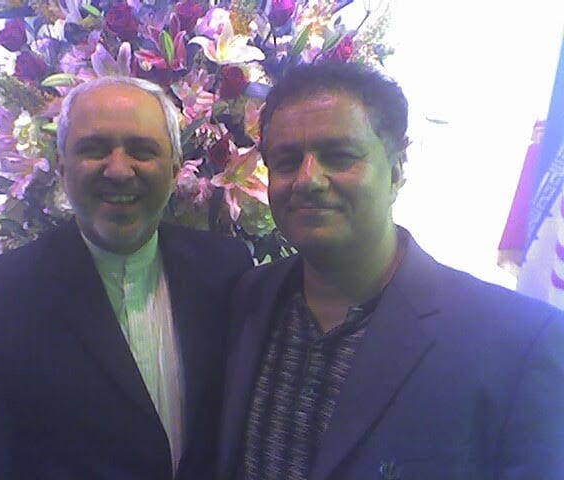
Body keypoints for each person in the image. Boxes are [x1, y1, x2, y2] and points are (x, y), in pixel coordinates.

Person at [217, 62, 564, 480]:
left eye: (340, 157)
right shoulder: (247, 298)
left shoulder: (518, 344)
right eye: (287, 162)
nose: (308, 179)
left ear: (397, 170)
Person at [0, 76, 251, 479]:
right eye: (94, 149)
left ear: (174, 169)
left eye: (142, 150)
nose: (118, 170)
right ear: (62, 167)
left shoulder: (226, 268)